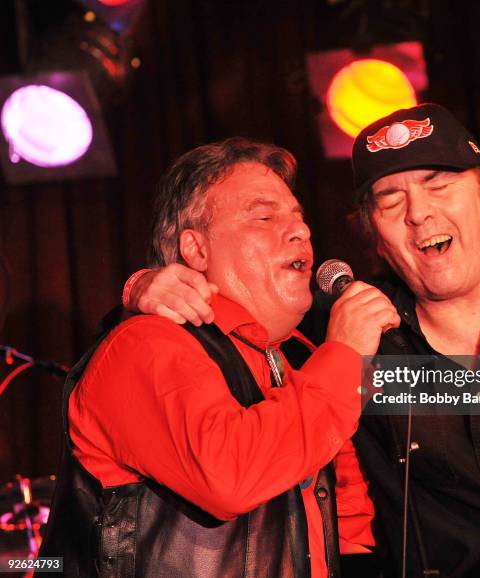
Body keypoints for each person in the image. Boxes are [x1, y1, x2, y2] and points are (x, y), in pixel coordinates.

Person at [123, 105, 480, 578]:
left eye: (440, 185)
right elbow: (239, 315)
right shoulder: (340, 327)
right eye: (390, 201)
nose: (419, 212)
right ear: (374, 234)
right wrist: (146, 284)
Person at [38, 137, 400, 577]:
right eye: (264, 216)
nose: (301, 231)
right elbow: (230, 477)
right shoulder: (146, 344)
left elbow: (345, 521)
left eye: (298, 219)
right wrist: (344, 354)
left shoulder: (295, 360)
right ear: (196, 250)